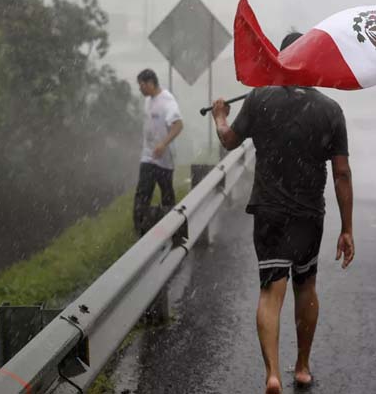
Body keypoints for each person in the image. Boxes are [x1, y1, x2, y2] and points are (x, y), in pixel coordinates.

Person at [211, 32, 355, 394]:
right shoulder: (330, 110)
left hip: (270, 211)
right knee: (305, 285)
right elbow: (341, 173)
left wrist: (219, 117)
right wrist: (347, 227)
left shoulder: (260, 97)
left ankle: (273, 374)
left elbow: (229, 140)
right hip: (310, 213)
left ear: (283, 59)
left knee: (270, 292)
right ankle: (302, 367)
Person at [134, 68, 184, 237]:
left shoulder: (167, 101)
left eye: (141, 85)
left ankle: (172, 229)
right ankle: (140, 231)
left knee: (167, 195)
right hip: (148, 156)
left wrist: (163, 144)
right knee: (142, 193)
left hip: (164, 159)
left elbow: (178, 125)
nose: (140, 89)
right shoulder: (148, 100)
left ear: (150, 83)